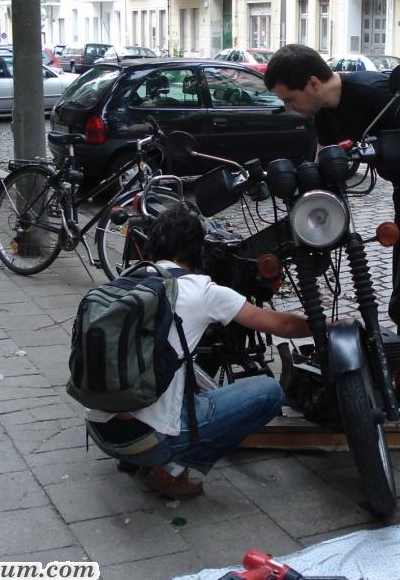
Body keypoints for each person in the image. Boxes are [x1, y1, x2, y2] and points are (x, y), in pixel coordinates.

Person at [264, 44, 400, 415]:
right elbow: (321, 162)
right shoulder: (323, 113)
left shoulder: (371, 93)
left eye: (290, 99)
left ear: (312, 83)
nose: (290, 108)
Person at [83, 205, 310, 499]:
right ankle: (172, 469)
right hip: (150, 442)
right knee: (269, 392)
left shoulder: (128, 278)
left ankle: (133, 457)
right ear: (197, 251)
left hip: (100, 430)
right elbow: (280, 325)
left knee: (171, 365)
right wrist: (325, 326)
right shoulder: (202, 290)